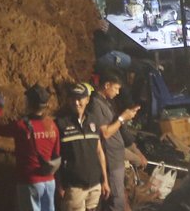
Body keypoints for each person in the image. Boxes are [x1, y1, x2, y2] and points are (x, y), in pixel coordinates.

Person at [0, 84, 61, 211]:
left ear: (29, 103)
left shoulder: (21, 126)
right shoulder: (52, 125)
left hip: (30, 181)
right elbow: (56, 154)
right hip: (49, 181)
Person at [87, 71, 140, 211]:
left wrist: (127, 116)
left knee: (118, 198)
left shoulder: (105, 102)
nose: (117, 92)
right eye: (115, 88)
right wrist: (122, 118)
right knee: (116, 201)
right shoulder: (96, 104)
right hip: (110, 159)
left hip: (116, 158)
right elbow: (105, 133)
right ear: (106, 85)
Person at [54, 84, 109, 211]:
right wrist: (59, 183)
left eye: (80, 98)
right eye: (73, 98)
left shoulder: (94, 120)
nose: (77, 102)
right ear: (69, 100)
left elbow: (99, 151)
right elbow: (55, 155)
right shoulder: (61, 123)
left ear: (87, 100)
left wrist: (105, 180)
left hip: (95, 184)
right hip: (74, 186)